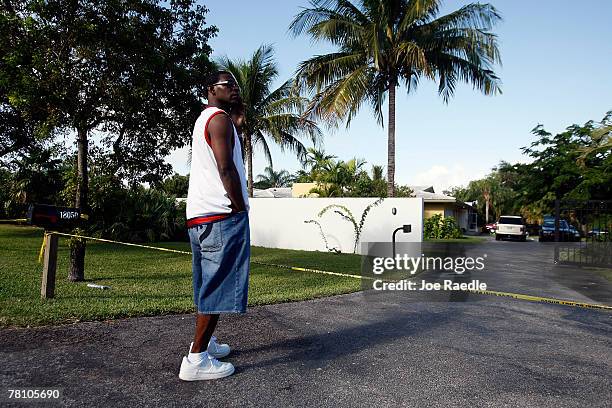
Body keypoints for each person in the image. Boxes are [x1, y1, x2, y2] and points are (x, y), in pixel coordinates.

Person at [178, 71, 250, 381]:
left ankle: (205, 344)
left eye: (236, 85)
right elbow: (225, 167)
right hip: (220, 215)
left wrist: (237, 118)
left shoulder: (208, 119)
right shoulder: (218, 119)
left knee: (207, 284)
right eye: (227, 85)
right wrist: (236, 204)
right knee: (218, 286)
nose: (234, 89)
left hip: (200, 215)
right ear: (210, 90)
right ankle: (195, 361)